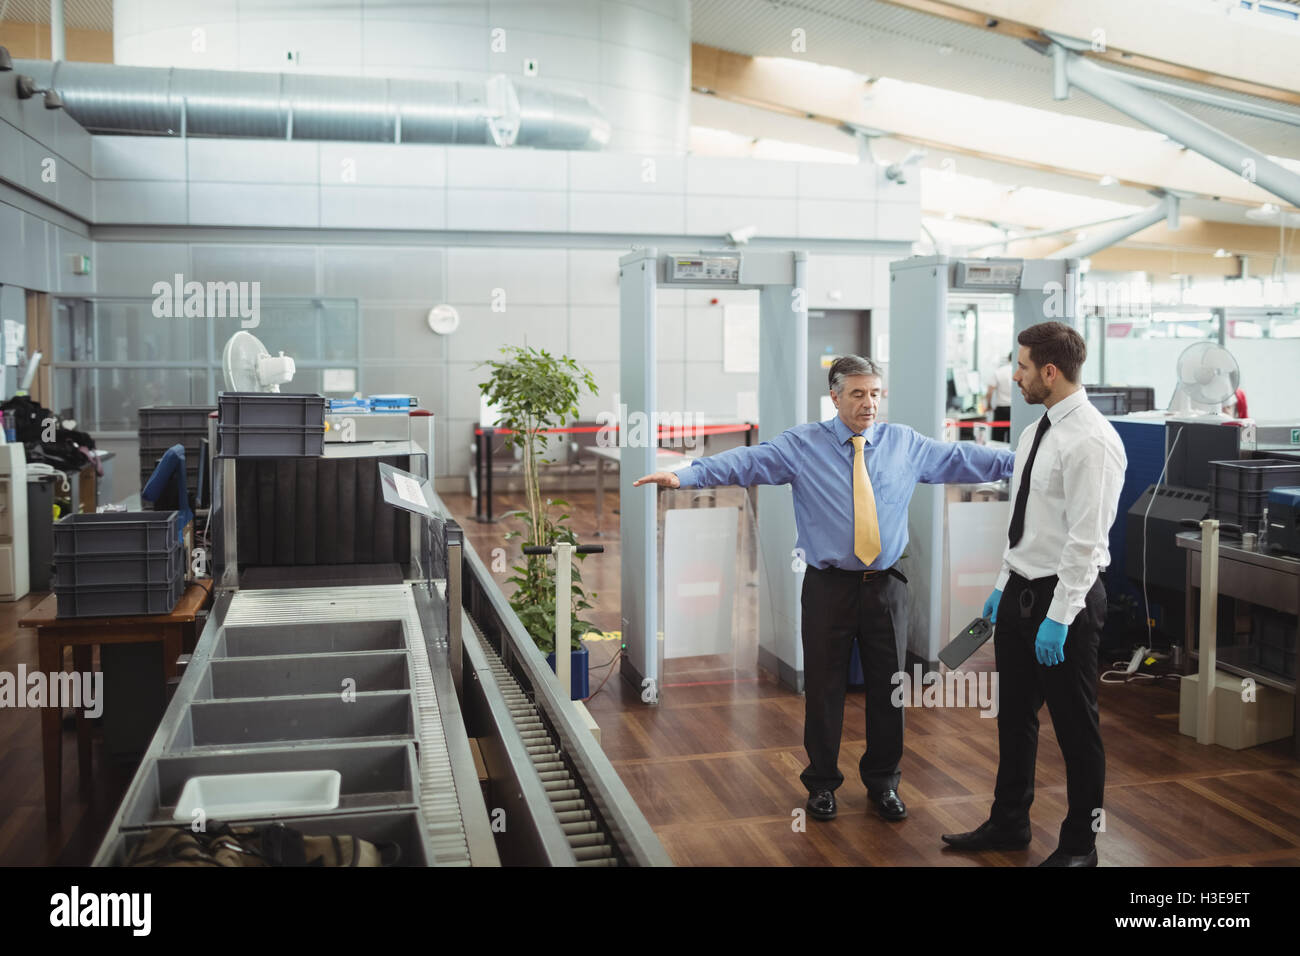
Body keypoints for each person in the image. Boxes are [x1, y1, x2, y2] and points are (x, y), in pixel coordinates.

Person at [633, 356, 1014, 824]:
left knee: (889, 689)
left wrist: (1029, 461)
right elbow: (747, 462)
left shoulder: (904, 445)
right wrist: (686, 474)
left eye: (875, 393)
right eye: (857, 393)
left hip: (887, 588)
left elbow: (965, 459)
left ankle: (883, 783)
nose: (868, 403)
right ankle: (822, 784)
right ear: (835, 397)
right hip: (828, 588)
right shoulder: (802, 445)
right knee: (825, 689)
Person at [941, 322, 1126, 867]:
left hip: (1063, 601)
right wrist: (1004, 584)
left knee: (1077, 728)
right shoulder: (1033, 432)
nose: (1013, 376)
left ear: (1049, 371)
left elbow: (1085, 543)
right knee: (1014, 716)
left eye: (1020, 366)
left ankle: (1080, 847)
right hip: (1022, 590)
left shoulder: (1092, 441)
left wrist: (1060, 616)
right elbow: (1025, 524)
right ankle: (1009, 822)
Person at [985, 352, 1014, 442]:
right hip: (1013, 410)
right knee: (1012, 439)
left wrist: (989, 405)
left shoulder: (999, 372)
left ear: (1008, 359)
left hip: (1001, 410)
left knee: (997, 440)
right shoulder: (1018, 372)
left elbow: (989, 392)